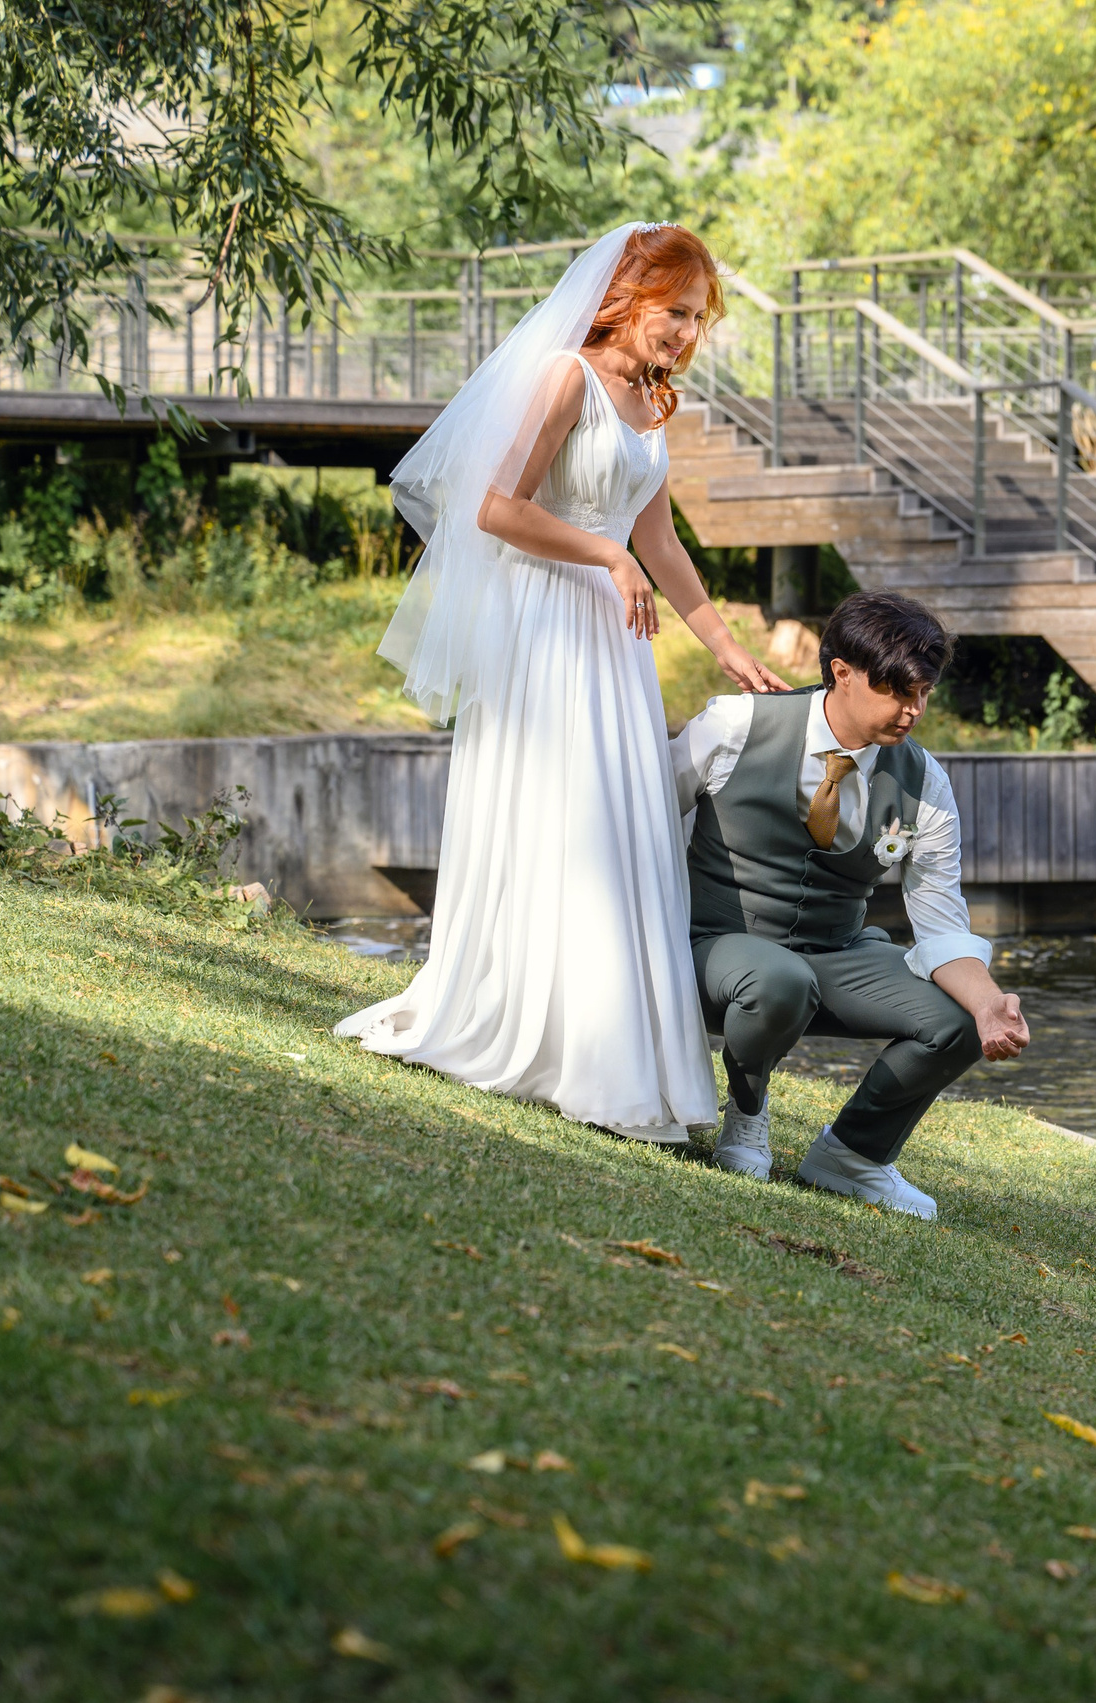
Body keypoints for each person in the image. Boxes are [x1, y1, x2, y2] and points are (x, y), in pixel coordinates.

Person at [336, 223, 783, 1138]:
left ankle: (612, 1048)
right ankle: (535, 1031)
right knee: (560, 815)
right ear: (626, 297)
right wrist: (604, 556)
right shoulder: (565, 377)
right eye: (673, 311)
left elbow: (658, 541)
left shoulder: (653, 400)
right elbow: (496, 507)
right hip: (546, 625)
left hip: (614, 642)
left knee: (618, 823)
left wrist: (723, 644)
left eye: (697, 318)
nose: (685, 332)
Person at [673, 590, 1029, 1220]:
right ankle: (746, 1117)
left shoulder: (925, 781)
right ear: (842, 671)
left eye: (924, 693)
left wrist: (988, 1006)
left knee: (957, 1019)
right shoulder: (734, 726)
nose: (913, 710)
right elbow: (640, 816)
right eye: (898, 691)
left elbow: (940, 925)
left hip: (835, 952)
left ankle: (853, 1156)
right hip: (712, 947)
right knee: (780, 978)